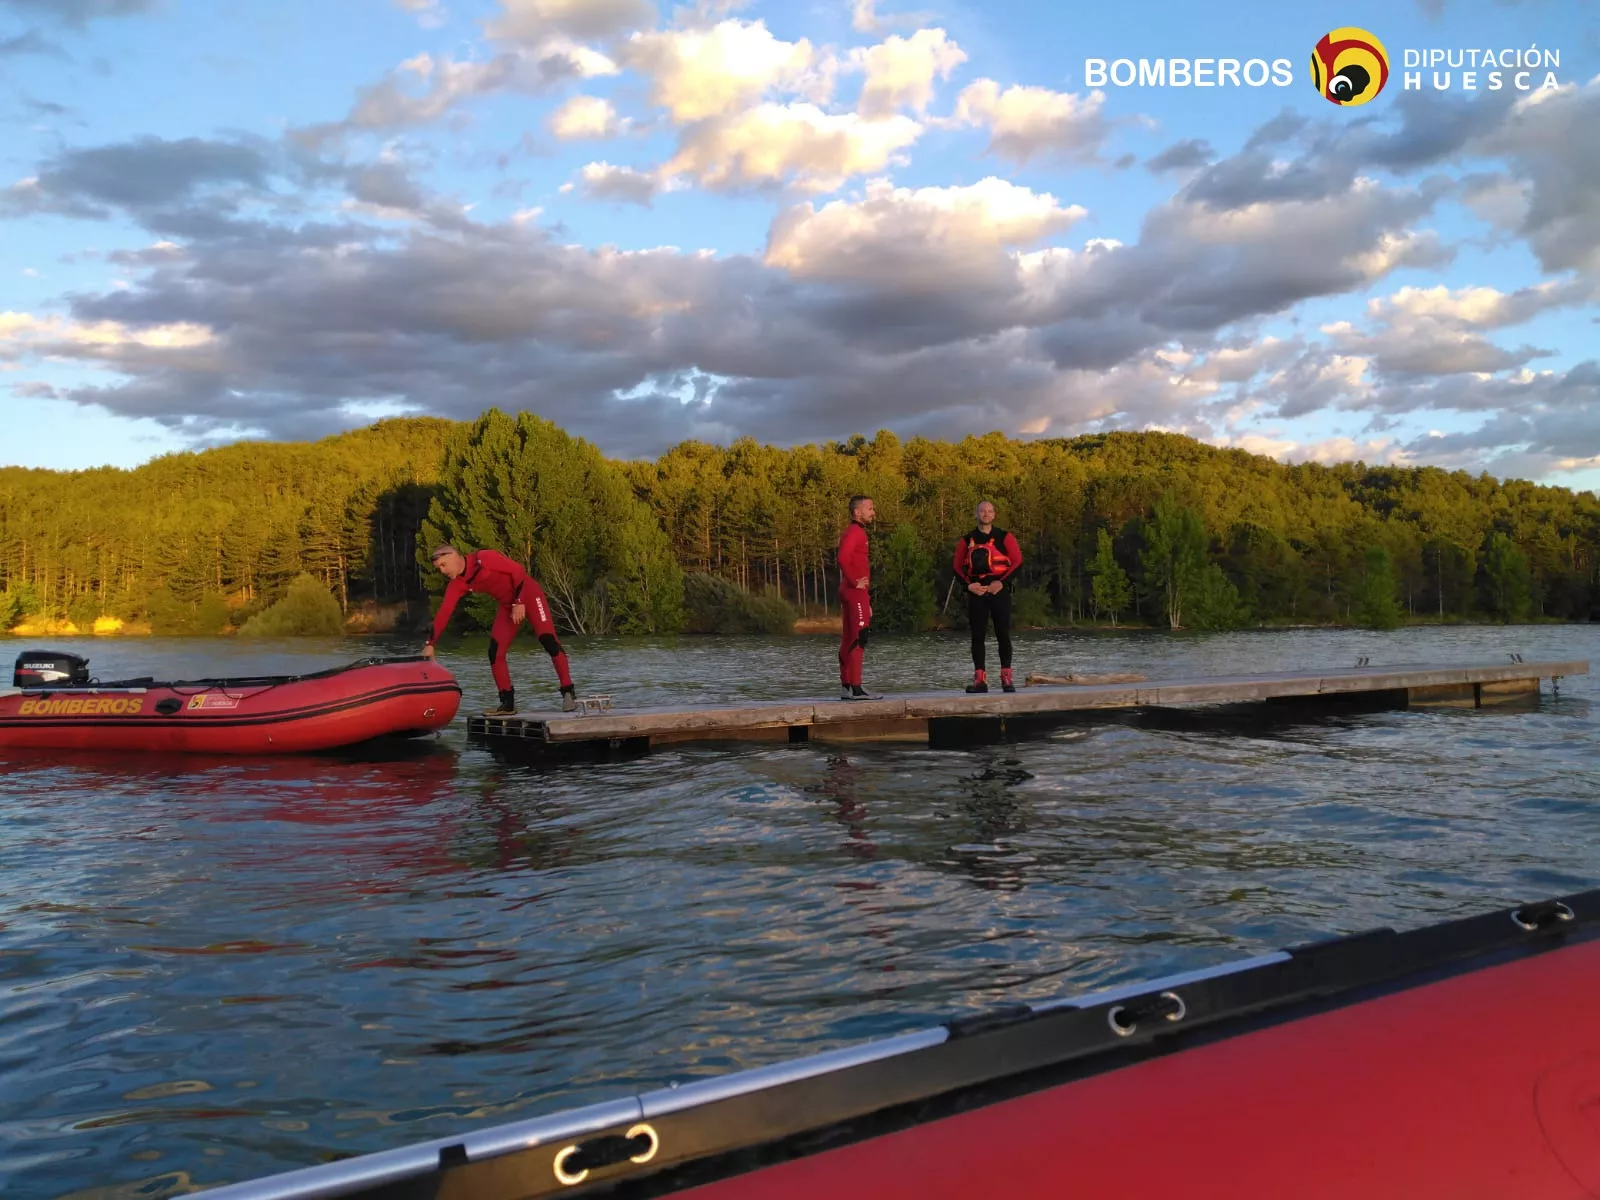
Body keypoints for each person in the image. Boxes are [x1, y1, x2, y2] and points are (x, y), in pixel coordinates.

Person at [421, 544, 577, 714]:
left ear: (453, 556)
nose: (443, 571)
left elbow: (518, 571)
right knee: (495, 652)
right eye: (439, 569)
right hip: (507, 607)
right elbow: (444, 613)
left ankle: (568, 692)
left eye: (443, 565)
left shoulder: (484, 558)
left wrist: (519, 602)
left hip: (529, 595)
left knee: (548, 640)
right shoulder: (457, 584)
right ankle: (507, 703)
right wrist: (431, 643)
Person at [953, 501, 1022, 693]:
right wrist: (969, 586)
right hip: (977, 591)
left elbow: (1017, 562)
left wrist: (1002, 583)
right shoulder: (966, 540)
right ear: (976, 514)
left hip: (999, 590)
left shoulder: (1005, 537)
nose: (986, 514)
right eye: (982, 511)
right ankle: (979, 680)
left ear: (994, 515)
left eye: (989, 511)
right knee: (977, 636)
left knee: (1003, 634)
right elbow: (957, 567)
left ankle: (1006, 679)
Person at [837, 495, 883, 700]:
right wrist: (855, 581)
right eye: (870, 509)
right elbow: (842, 558)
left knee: (849, 637)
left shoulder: (855, 532)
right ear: (857, 512)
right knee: (859, 636)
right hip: (854, 590)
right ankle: (856, 688)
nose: (873, 513)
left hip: (854, 591)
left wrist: (865, 597)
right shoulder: (855, 532)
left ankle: (847, 685)